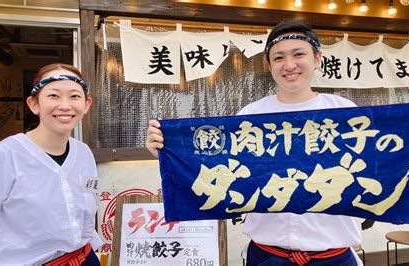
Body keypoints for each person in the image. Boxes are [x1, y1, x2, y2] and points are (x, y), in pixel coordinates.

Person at [146, 20, 362, 265]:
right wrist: (170, 152)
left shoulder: (345, 113)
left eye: (298, 54)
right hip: (266, 256)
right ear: (268, 64)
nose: (289, 65)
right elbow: (222, 167)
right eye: (279, 57)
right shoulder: (250, 116)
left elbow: (372, 167)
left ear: (318, 58)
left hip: (334, 257)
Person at [0, 63, 102, 265]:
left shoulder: (84, 154)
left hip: (85, 259)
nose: (65, 105)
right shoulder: (4, 157)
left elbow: (88, 206)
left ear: (86, 105)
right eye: (54, 96)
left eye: (74, 96)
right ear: (34, 104)